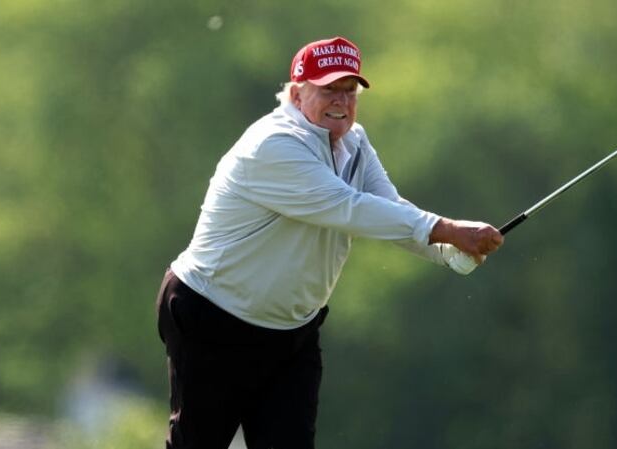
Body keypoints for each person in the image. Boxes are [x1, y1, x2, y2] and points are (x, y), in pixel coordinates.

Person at [156, 36, 503, 449]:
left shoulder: (354, 142)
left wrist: (448, 253)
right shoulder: (273, 145)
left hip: (292, 333)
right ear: (297, 93)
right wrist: (450, 229)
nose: (341, 100)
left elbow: (387, 208)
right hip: (213, 318)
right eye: (329, 89)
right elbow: (350, 208)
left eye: (349, 90)